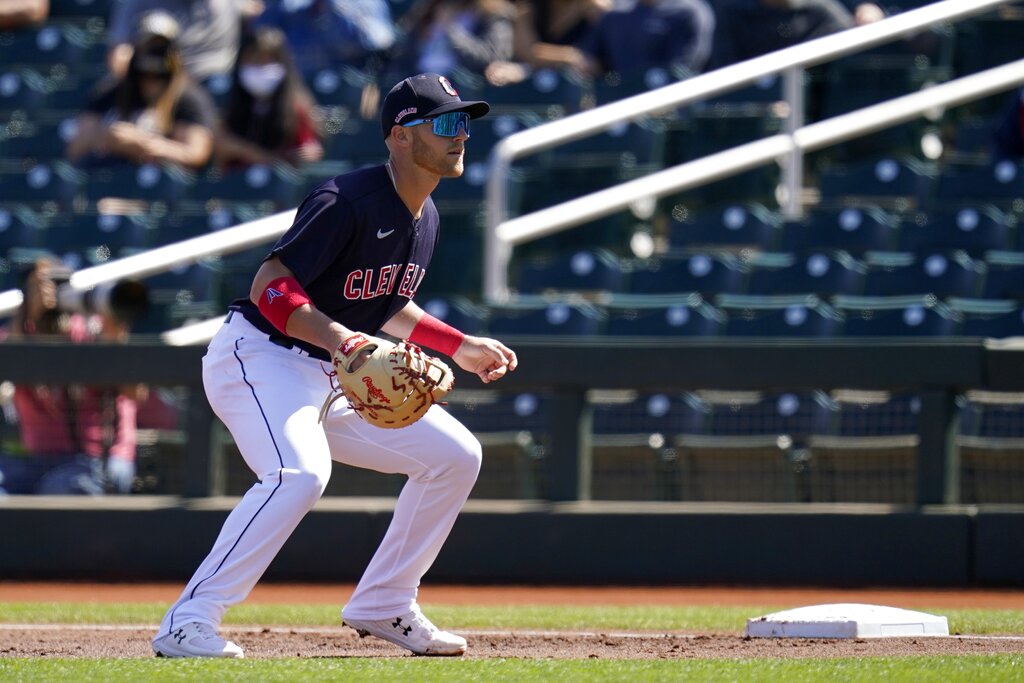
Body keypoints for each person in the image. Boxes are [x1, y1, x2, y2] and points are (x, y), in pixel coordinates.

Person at [151, 72, 518, 659]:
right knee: (299, 475)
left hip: (334, 370)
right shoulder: (345, 200)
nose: (461, 136)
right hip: (262, 357)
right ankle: (188, 620)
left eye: (464, 123)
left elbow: (388, 301)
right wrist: (341, 337)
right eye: (445, 122)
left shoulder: (426, 217)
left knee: (454, 456)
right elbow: (271, 286)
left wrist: (459, 345)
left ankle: (386, 601)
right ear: (400, 136)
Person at [0, 259, 140, 496]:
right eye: (40, 287)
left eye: (59, 283)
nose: (51, 295)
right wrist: (23, 323)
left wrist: (115, 341)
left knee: (62, 489)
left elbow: (136, 392)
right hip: (36, 461)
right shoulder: (15, 336)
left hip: (98, 461)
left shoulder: (96, 331)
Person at [66, 30, 217, 169]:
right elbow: (75, 149)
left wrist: (144, 142)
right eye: (144, 74)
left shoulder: (187, 98)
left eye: (158, 76)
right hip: (110, 175)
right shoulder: (112, 91)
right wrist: (109, 136)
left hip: (156, 186)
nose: (150, 81)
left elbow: (196, 154)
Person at [214, 26, 324, 169]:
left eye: (268, 61)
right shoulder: (229, 109)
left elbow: (305, 154)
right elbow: (221, 154)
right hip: (236, 185)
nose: (261, 68)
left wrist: (245, 151)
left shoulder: (298, 110)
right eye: (254, 61)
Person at [107, 1, 242, 81]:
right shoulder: (136, 2)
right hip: (157, 74)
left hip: (210, 74)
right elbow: (120, 52)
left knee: (220, 84)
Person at [252, 0, 396, 75]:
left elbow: (379, 41)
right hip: (300, 92)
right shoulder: (289, 6)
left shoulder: (365, 3)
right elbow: (260, 34)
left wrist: (331, 6)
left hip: (349, 95)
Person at [580, 0, 715, 78]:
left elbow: (680, 73)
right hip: (618, 109)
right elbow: (587, 62)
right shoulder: (614, 15)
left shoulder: (690, 12)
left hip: (672, 114)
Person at [388, 0, 516, 83]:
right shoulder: (428, 8)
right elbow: (402, 53)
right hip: (418, 84)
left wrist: (450, 30)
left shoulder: (493, 12)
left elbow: (492, 57)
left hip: (462, 89)